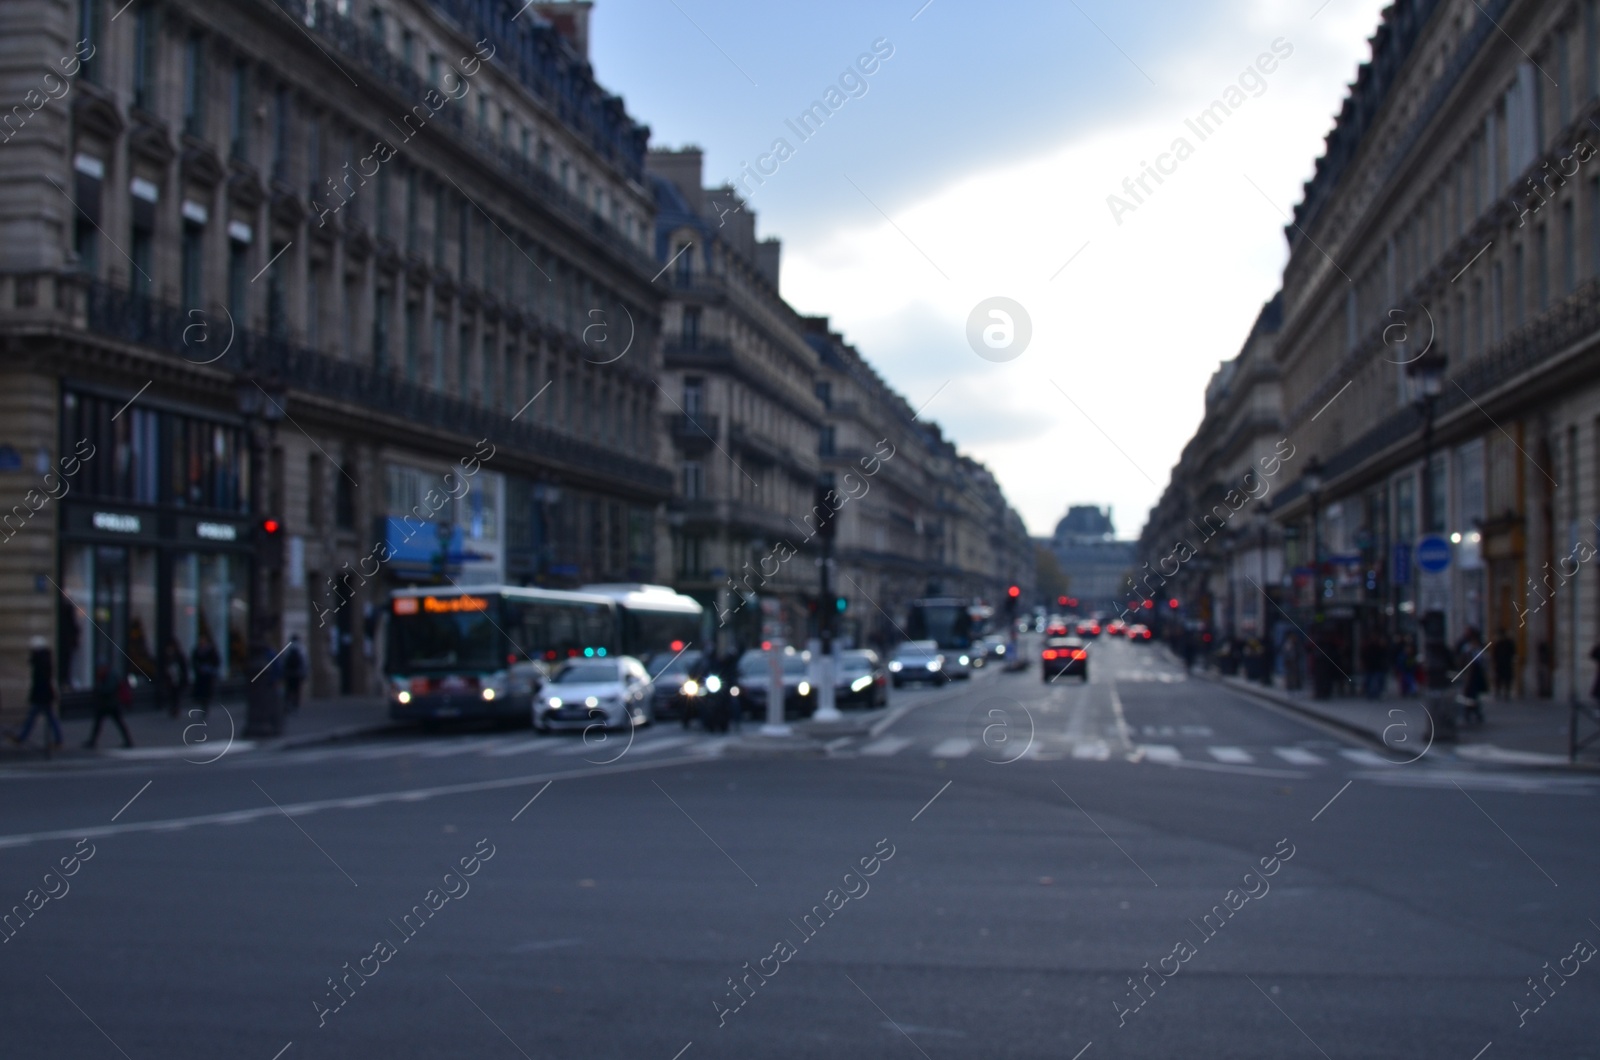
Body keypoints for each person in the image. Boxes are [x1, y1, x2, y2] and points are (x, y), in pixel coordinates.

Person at [14, 636, 62, 748]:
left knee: (33, 718)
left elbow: (40, 680)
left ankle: (22, 737)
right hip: (45, 695)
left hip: (41, 696)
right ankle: (58, 740)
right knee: (49, 718)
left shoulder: (40, 661)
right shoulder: (44, 659)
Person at [84, 664, 134, 749]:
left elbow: (108, 689)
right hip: (107, 704)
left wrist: (100, 689)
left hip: (110, 704)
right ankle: (92, 741)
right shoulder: (108, 676)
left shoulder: (111, 676)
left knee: (117, 723)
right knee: (100, 723)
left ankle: (128, 741)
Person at [1455, 629, 1487, 727]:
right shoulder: (1467, 649)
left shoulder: (1476, 649)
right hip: (1470, 676)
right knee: (1470, 696)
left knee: (1473, 696)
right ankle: (1471, 713)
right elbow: (1463, 661)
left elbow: (1481, 662)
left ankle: (1472, 713)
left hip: (1475, 676)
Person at [191, 634, 220, 716]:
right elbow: (194, 661)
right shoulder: (197, 650)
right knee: (202, 692)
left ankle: (205, 706)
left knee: (207, 692)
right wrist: (197, 669)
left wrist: (211, 669)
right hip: (200, 675)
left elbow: (216, 661)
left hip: (208, 675)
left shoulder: (211, 650)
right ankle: (203, 705)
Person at [160, 637, 189, 717]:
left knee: (176, 695)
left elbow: (184, 668)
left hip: (178, 679)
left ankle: (175, 708)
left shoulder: (179, 656)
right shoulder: (166, 657)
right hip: (169, 679)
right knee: (171, 694)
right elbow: (162, 667)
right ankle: (173, 708)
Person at [281, 634, 306, 713]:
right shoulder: (302, 648)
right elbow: (305, 662)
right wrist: (304, 673)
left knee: (288, 690)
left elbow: (284, 661)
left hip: (289, 673)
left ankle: (288, 705)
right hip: (298, 673)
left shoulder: (288, 648)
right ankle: (296, 706)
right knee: (297, 691)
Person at [1362, 634, 1387, 699]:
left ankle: (1375, 693)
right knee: (1370, 680)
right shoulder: (1368, 647)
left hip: (1377, 666)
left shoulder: (1380, 647)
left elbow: (1384, 656)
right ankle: (1371, 693)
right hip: (1371, 666)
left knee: (1377, 680)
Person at [1492, 631, 1516, 698]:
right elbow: (1495, 654)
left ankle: (1506, 692)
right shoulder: (1498, 644)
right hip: (1501, 664)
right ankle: (1498, 691)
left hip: (1506, 664)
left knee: (1506, 679)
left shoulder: (1508, 643)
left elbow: (1512, 652)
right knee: (1499, 679)